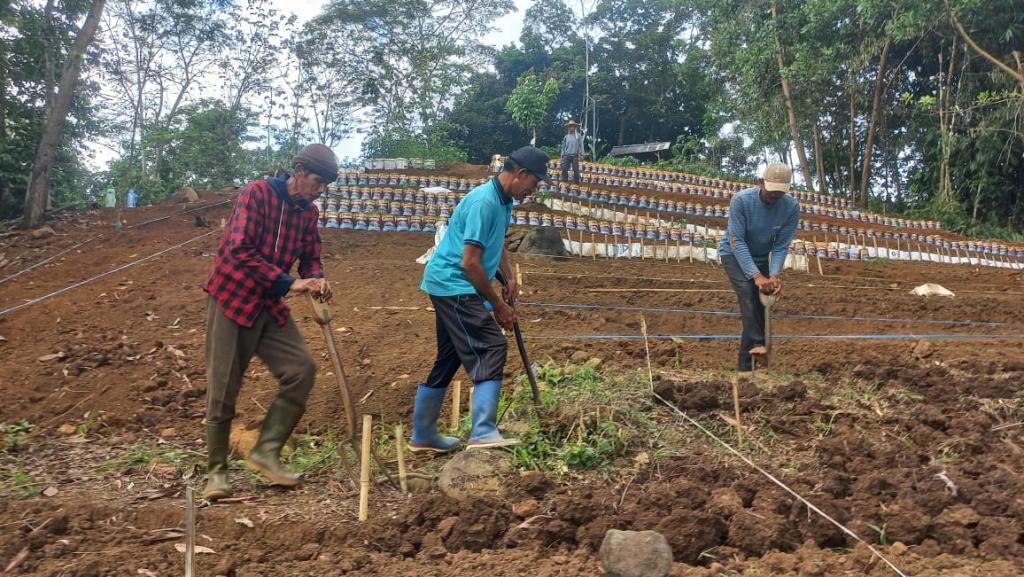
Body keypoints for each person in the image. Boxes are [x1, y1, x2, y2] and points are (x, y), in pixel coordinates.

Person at [201, 143, 338, 500]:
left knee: (301, 370)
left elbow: (311, 256)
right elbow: (239, 250)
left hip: (267, 303)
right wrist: (290, 282)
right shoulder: (258, 194)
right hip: (232, 299)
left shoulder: (308, 213)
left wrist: (316, 279)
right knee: (223, 389)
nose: (320, 189)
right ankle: (216, 472)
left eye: (326, 184)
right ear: (297, 171)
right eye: (317, 181)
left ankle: (265, 452)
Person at [411, 146, 549, 452]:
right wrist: (498, 306)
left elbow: (496, 241)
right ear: (520, 174)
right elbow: (470, 263)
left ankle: (423, 435)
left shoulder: (503, 201)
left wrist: (509, 277)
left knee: (450, 356)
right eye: (535, 183)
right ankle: (483, 430)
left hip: (454, 284)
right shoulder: (484, 203)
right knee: (491, 346)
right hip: (454, 284)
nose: (534, 190)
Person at [718, 163, 800, 372]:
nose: (774, 198)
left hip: (762, 255)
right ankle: (757, 343)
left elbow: (781, 246)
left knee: (760, 304)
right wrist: (756, 276)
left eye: (779, 194)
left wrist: (772, 277)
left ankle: (746, 368)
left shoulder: (791, 207)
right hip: (733, 253)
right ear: (760, 182)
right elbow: (737, 240)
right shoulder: (741, 201)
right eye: (771, 192)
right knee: (747, 293)